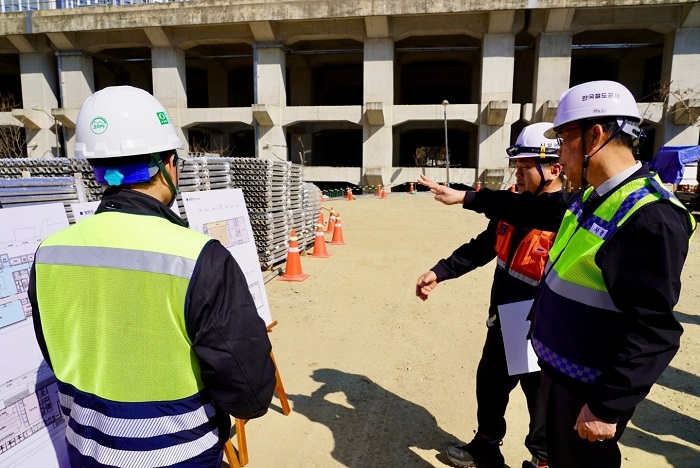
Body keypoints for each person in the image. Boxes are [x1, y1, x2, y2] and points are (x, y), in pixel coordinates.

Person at [419, 80, 696, 468]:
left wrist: (607, 405)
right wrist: (467, 198)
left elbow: (654, 329)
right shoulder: (592, 197)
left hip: (587, 385)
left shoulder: (650, 219)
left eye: (565, 141)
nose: (561, 156)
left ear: (595, 135)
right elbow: (525, 212)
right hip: (558, 366)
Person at [28, 86, 276, 467]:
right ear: (168, 164)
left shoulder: (49, 255)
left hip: (86, 454)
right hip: (180, 456)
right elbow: (250, 393)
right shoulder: (200, 259)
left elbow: (55, 352)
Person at [417, 123, 561, 468]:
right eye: (517, 166)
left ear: (555, 169)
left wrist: (466, 197)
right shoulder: (513, 207)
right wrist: (442, 271)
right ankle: (486, 445)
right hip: (507, 317)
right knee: (492, 384)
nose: (519, 174)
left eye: (526, 167)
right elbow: (485, 245)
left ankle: (543, 460)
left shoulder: (567, 214)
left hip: (542, 324)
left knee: (541, 399)